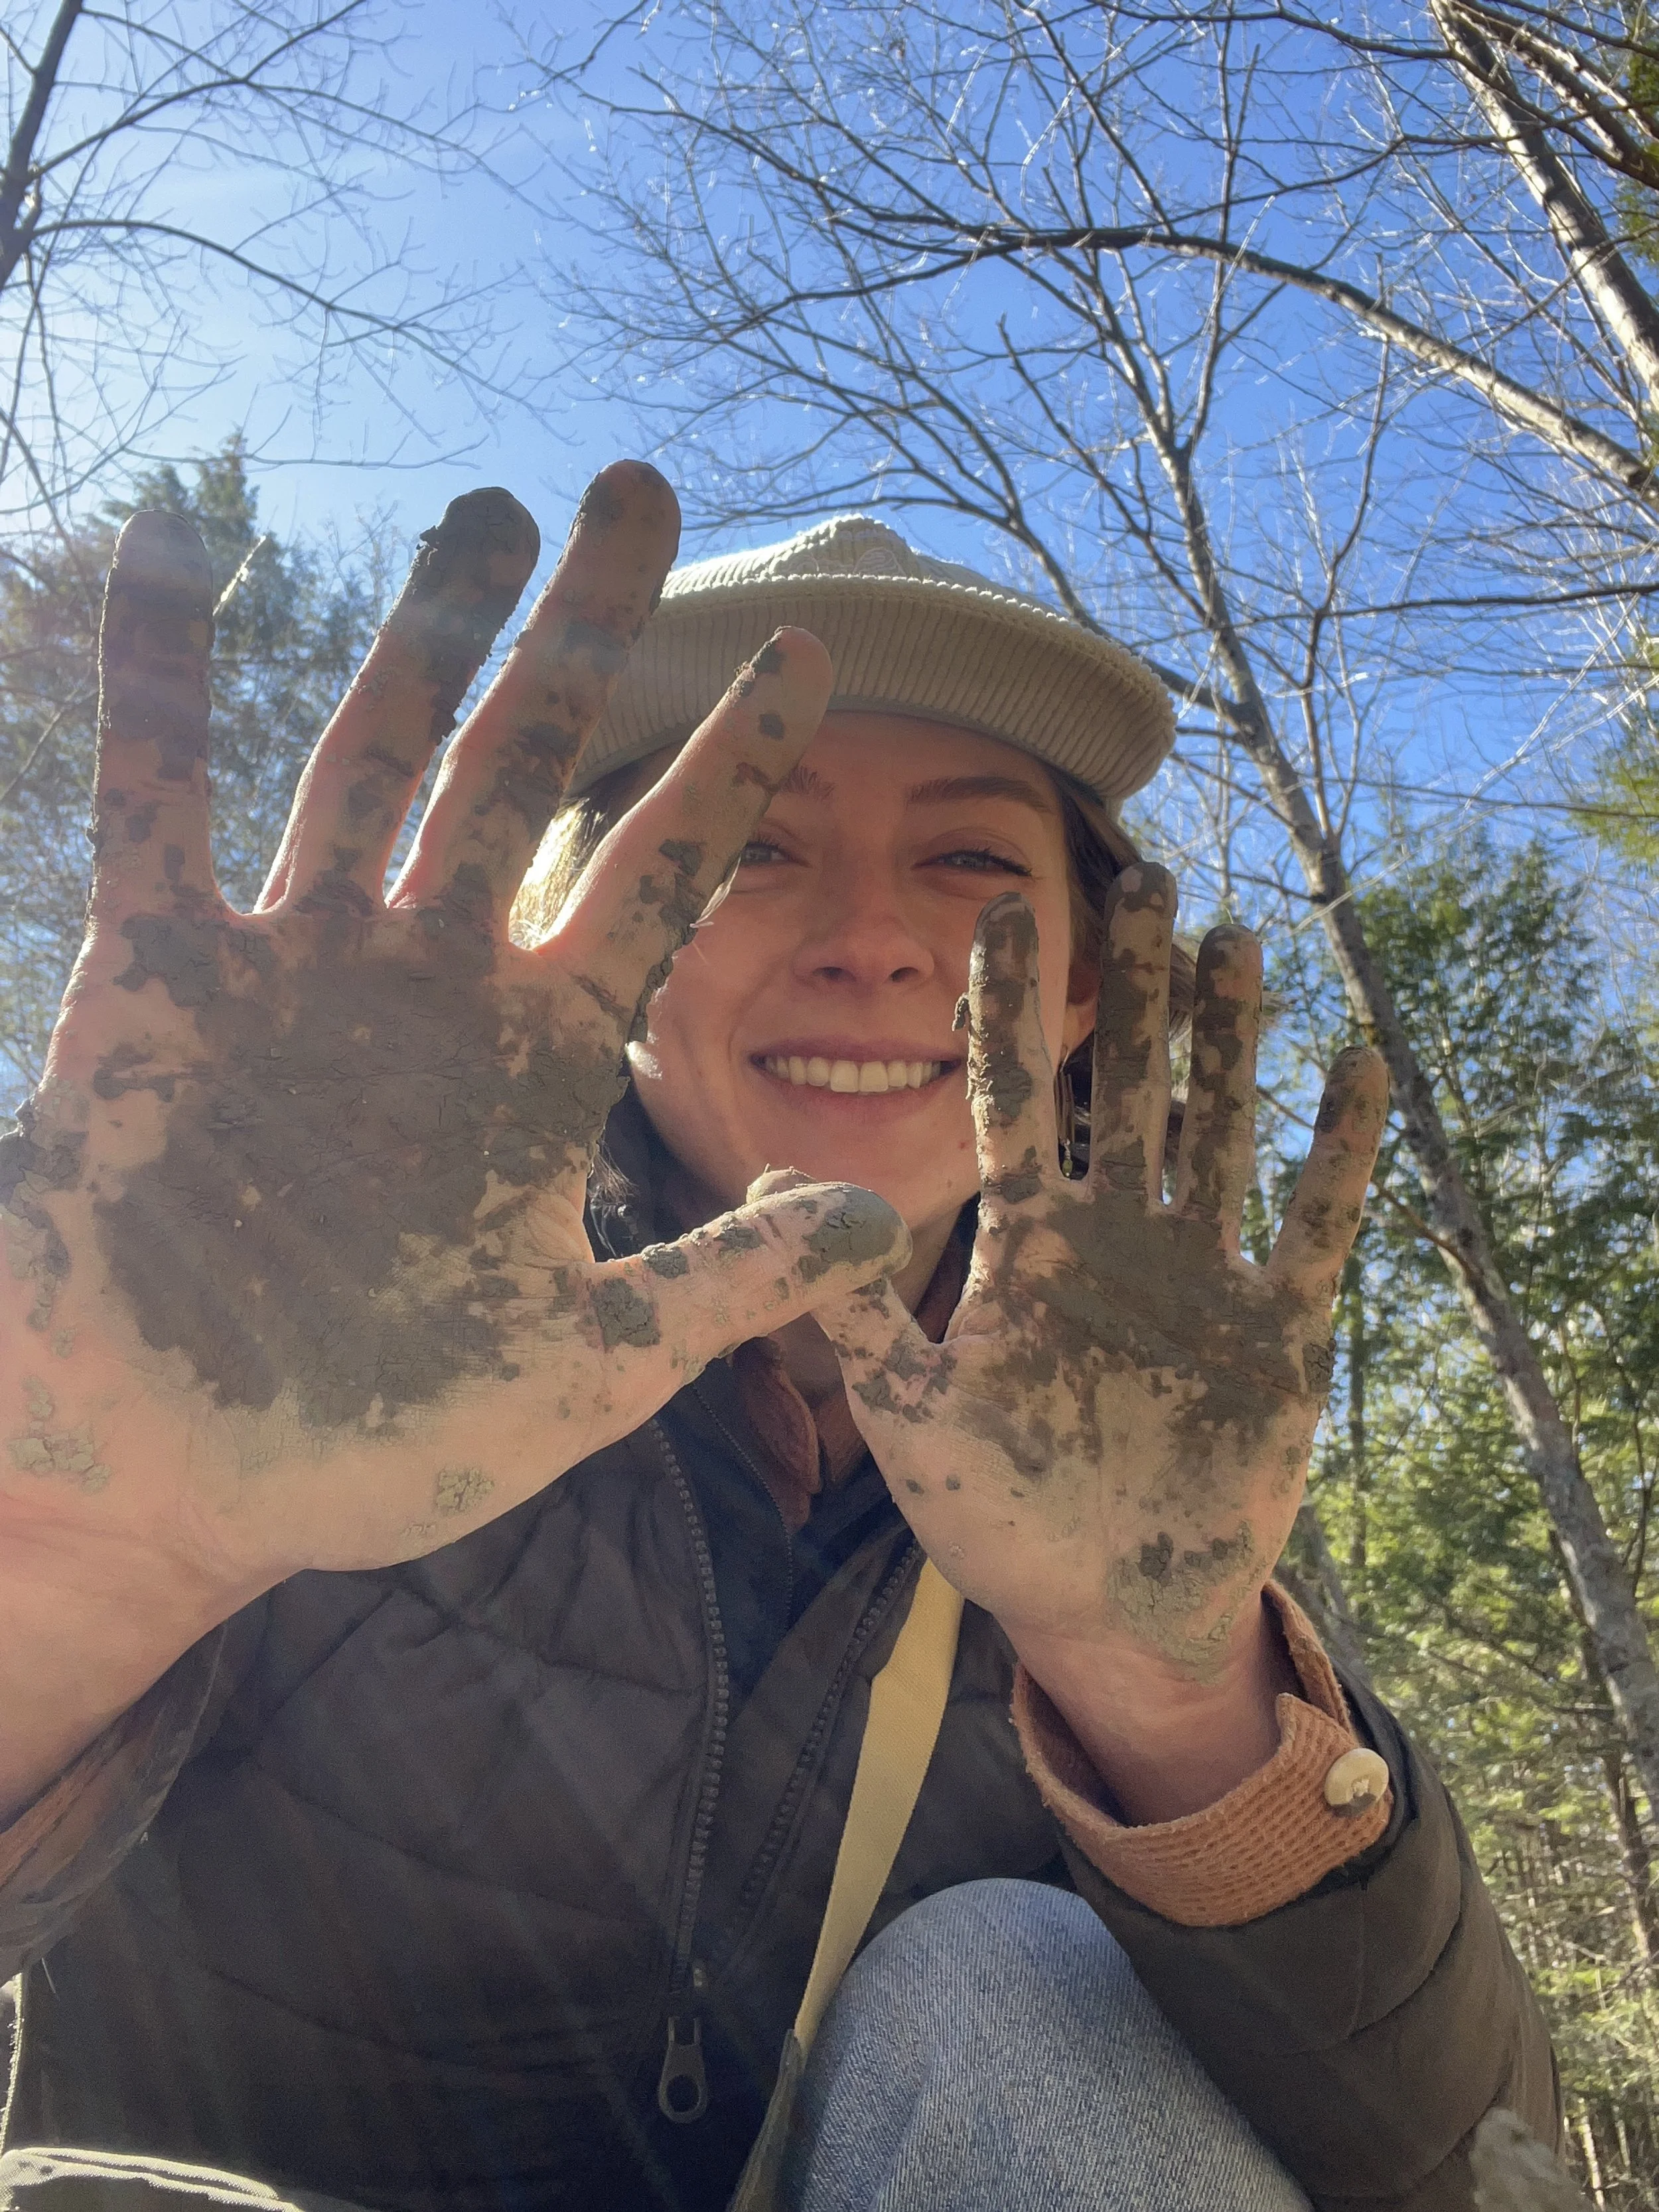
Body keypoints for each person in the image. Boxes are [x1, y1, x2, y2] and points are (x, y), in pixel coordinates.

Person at [0, 465, 1559, 2212]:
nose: (875, 941)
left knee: (1015, 1996)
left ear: (1077, 999)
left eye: (972, 858)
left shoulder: (1166, 1469)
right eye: (748, 844)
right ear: (598, 936)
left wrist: (1175, 1692)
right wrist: (80, 1561)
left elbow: (1471, 2175)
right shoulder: (309, 1332)